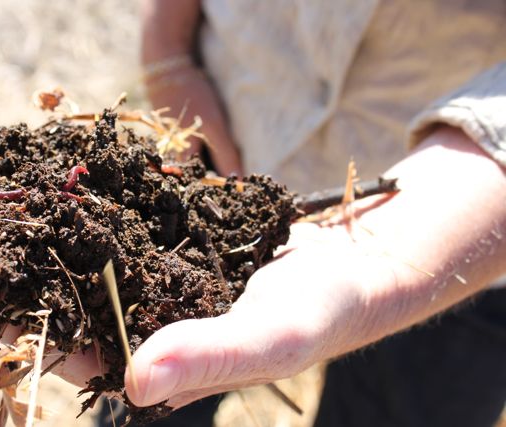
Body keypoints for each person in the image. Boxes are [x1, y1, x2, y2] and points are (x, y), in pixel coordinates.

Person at [62, 1, 506, 426]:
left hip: (459, 230)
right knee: (150, 396)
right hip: (224, 145)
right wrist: (169, 55)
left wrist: (390, 261)